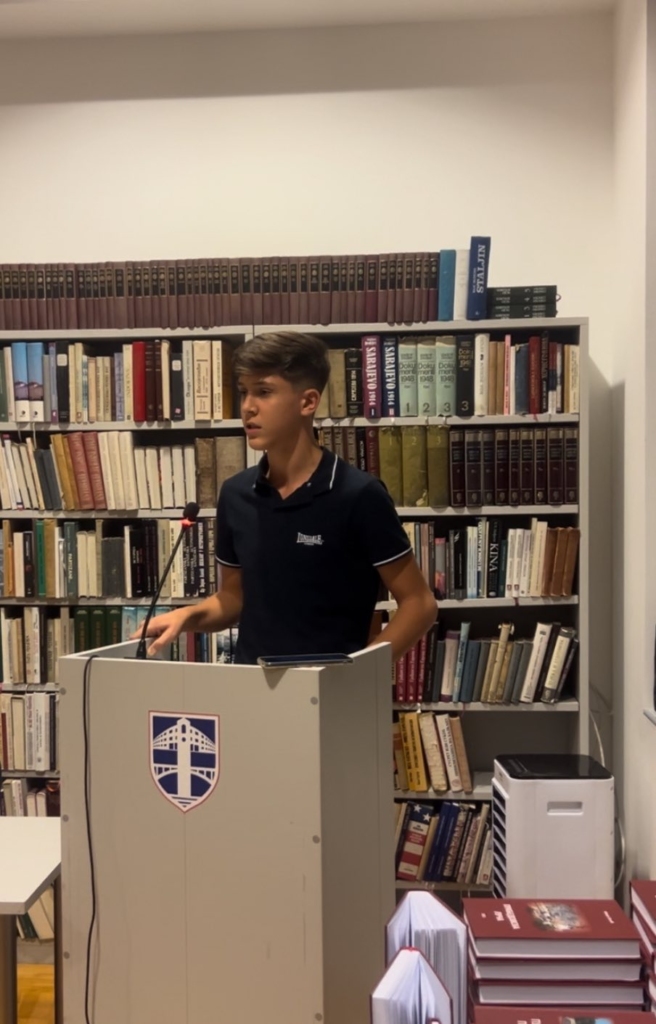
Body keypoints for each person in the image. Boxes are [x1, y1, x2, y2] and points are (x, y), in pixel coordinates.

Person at [135, 331, 437, 664]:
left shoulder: (358, 494)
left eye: (264, 392)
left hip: (330, 689)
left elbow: (419, 604)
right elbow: (233, 599)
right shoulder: (235, 494)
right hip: (250, 684)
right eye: (244, 392)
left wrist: (361, 672)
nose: (248, 407)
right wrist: (187, 616)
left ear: (308, 402)